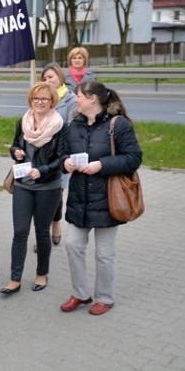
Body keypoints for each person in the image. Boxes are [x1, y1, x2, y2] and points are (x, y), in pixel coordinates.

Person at [59, 82, 142, 316]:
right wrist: (65, 163)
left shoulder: (119, 124)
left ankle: (105, 297)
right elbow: (63, 154)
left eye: (78, 96)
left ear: (93, 98)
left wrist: (101, 165)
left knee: (104, 254)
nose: (75, 100)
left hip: (108, 198)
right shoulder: (73, 125)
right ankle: (80, 293)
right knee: (73, 245)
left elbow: (134, 158)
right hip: (79, 197)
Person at [0, 82, 65, 296]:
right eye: (36, 98)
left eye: (44, 99)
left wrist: (43, 170)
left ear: (52, 101)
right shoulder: (23, 122)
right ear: (30, 100)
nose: (39, 102)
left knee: (41, 233)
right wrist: (15, 151)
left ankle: (41, 274)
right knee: (19, 232)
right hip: (22, 184)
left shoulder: (59, 125)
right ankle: (14, 278)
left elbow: (62, 158)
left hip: (48, 186)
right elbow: (14, 144)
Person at [41, 63, 78, 248]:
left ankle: (55, 224)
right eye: (45, 78)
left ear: (60, 77)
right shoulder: (41, 98)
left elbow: (72, 126)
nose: (48, 81)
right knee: (42, 194)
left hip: (60, 153)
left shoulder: (70, 99)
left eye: (51, 77)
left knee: (56, 193)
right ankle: (43, 233)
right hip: (41, 153)